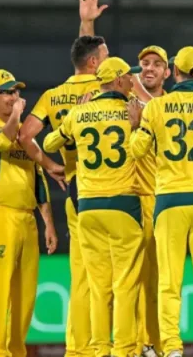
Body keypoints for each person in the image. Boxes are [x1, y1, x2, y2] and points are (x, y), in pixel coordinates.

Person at [129, 46, 193, 357]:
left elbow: (137, 151)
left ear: (175, 73)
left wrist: (136, 127)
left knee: (169, 282)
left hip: (170, 201)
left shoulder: (157, 108)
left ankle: (172, 348)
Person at [43, 57, 144, 357]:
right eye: (128, 77)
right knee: (125, 284)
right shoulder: (132, 110)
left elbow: (49, 143)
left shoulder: (80, 114)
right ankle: (123, 349)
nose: (132, 81)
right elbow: (147, 148)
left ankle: (100, 349)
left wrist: (71, 119)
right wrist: (136, 126)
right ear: (115, 80)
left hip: (87, 207)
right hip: (124, 204)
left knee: (99, 286)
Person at [19, 34, 108, 357]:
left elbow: (26, 135)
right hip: (110, 188)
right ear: (95, 62)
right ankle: (112, 345)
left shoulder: (53, 95)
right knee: (118, 275)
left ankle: (79, 348)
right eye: (106, 56)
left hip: (74, 190)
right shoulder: (104, 91)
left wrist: (50, 164)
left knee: (81, 273)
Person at [0, 69, 57, 357]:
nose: (14, 97)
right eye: (7, 92)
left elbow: (38, 179)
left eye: (16, 91)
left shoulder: (23, 135)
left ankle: (16, 350)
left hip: (27, 220)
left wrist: (48, 223)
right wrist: (16, 117)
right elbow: (3, 138)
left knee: (24, 296)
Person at [135, 45, 170, 357]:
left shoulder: (174, 105)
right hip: (132, 202)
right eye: (144, 63)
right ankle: (135, 345)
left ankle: (155, 344)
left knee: (160, 281)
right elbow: (89, 64)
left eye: (157, 64)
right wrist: (86, 23)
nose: (149, 69)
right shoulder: (124, 103)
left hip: (164, 202)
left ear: (167, 73)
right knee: (130, 280)